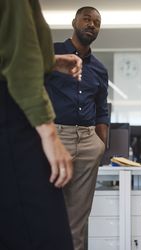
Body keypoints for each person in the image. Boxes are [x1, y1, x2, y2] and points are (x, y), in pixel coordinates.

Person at [0, 1, 83, 249]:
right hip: (13, 116)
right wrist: (50, 135)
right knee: (45, 234)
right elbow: (20, 61)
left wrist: (49, 60)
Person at [44, 6, 109, 250]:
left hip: (88, 141)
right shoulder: (51, 54)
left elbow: (102, 109)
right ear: (74, 22)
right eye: (87, 19)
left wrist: (101, 146)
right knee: (47, 210)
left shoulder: (100, 69)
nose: (92, 24)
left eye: (97, 22)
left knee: (78, 218)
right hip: (56, 139)